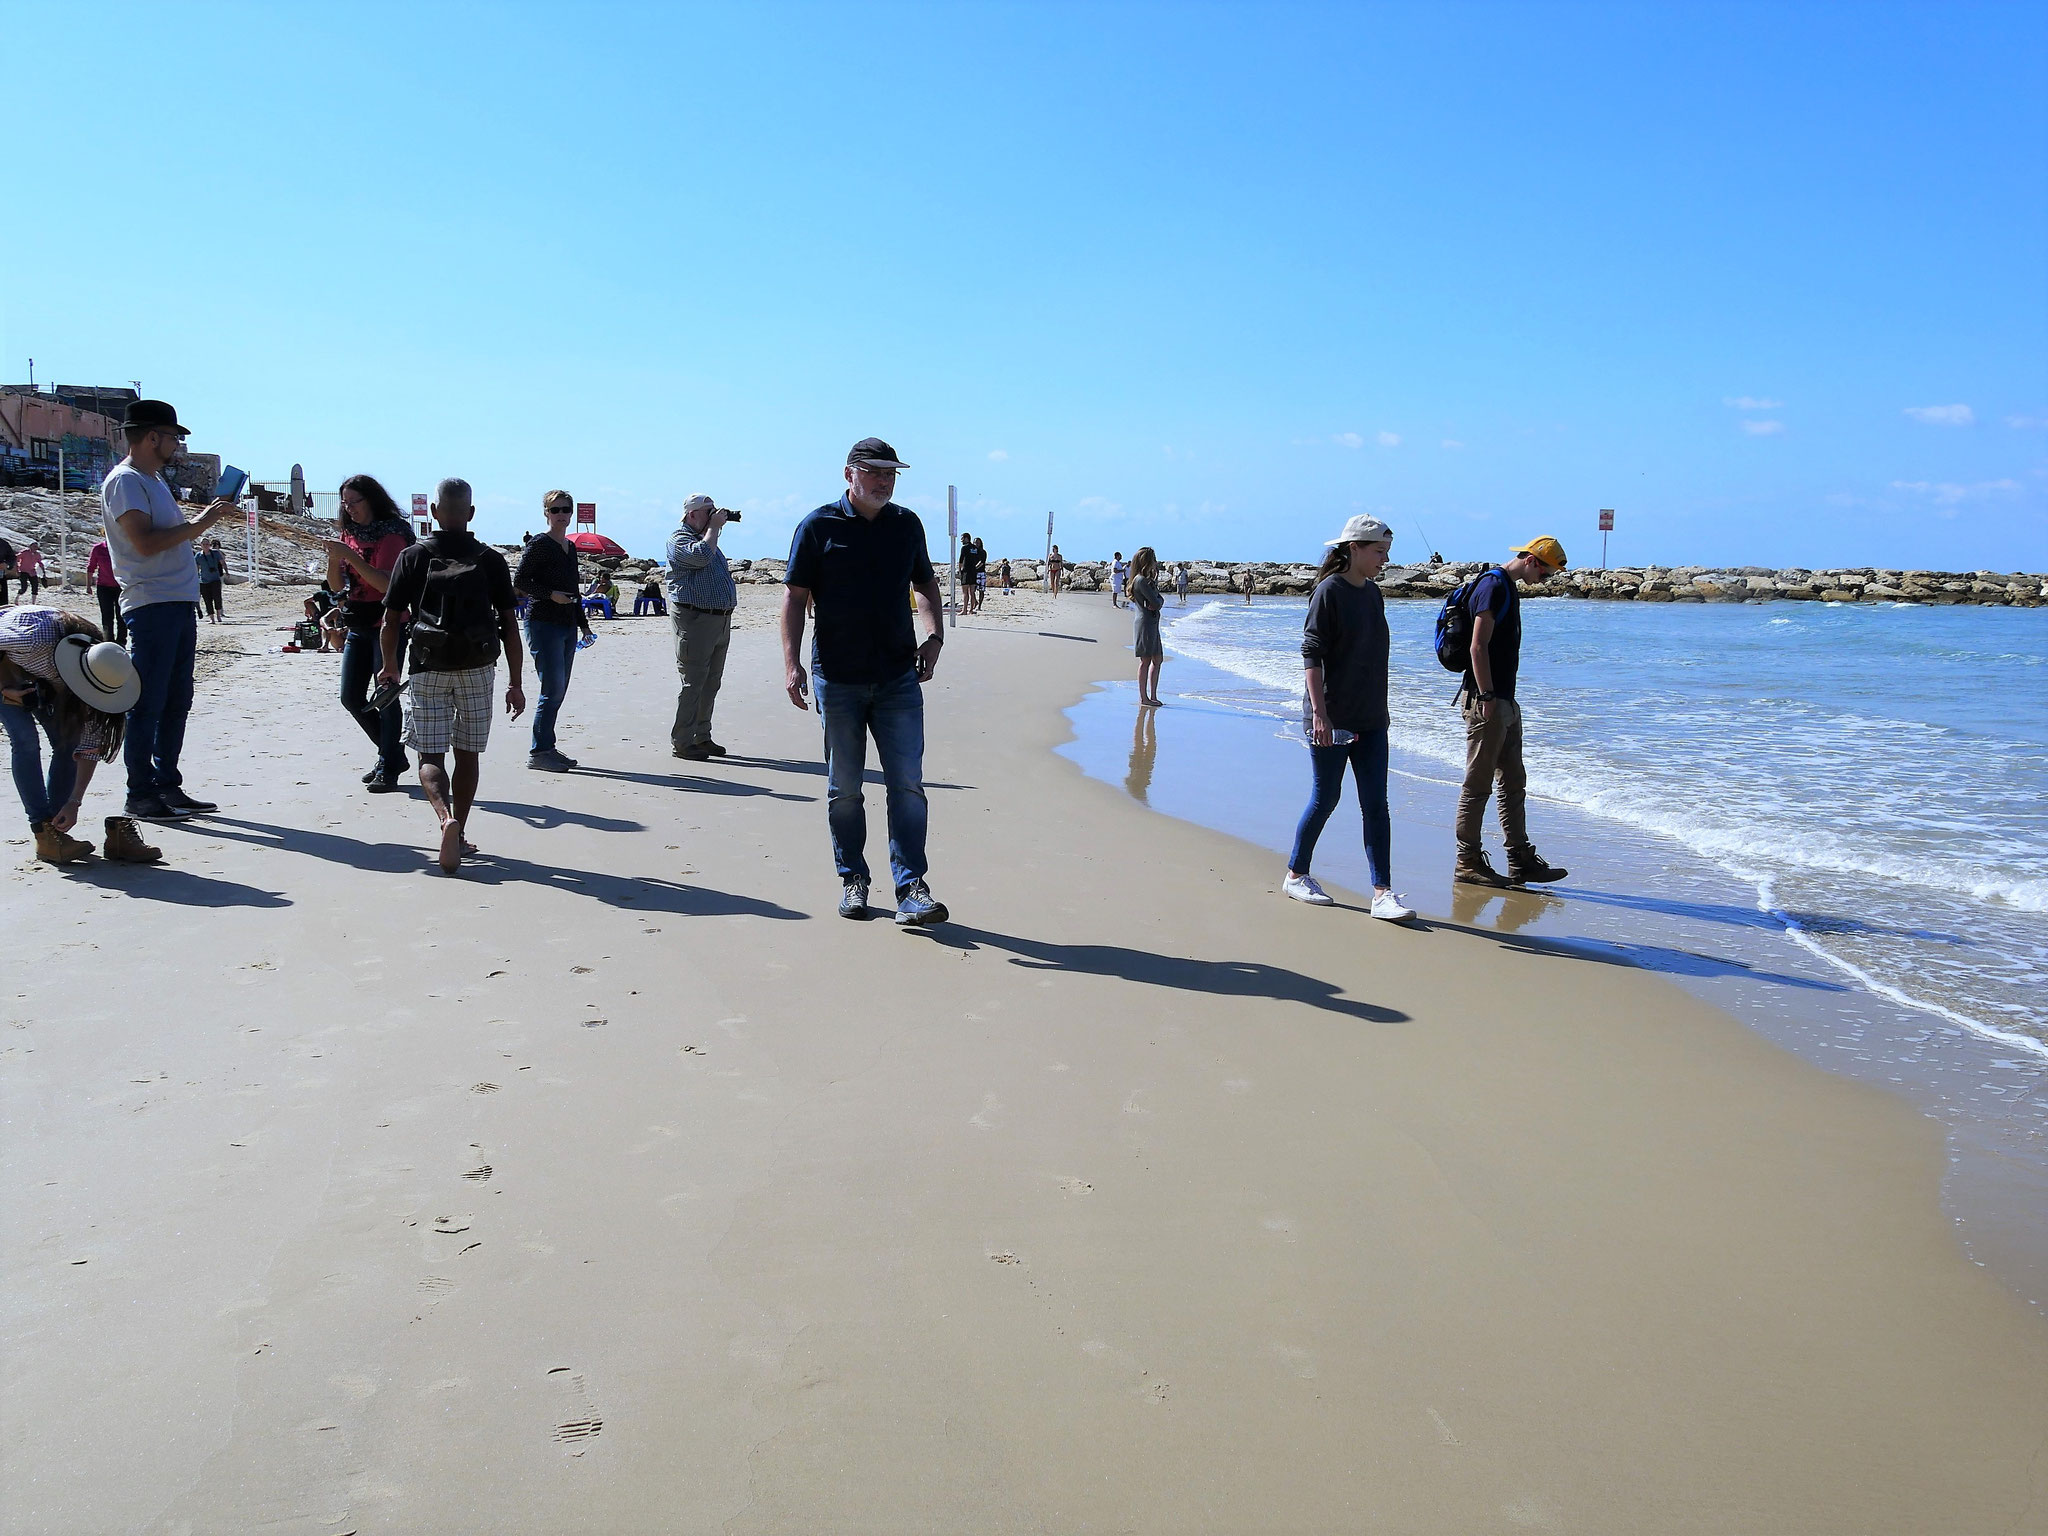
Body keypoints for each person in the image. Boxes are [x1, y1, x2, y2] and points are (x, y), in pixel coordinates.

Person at [782, 437, 948, 926]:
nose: (883, 482)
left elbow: (925, 585)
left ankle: (910, 886)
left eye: (891, 474)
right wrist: (791, 665)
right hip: (838, 677)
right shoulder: (817, 526)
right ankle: (853, 879)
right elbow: (794, 598)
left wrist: (934, 637)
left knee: (908, 785)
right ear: (849, 474)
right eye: (874, 472)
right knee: (845, 789)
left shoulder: (906, 524)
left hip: (899, 676)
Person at [376, 477, 526, 874]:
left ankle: (444, 818)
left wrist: (389, 665)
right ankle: (461, 833)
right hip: (478, 667)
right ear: (471, 513)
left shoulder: (412, 556)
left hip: (428, 665)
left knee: (430, 753)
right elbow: (510, 626)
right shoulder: (490, 560)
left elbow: (390, 621)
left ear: (435, 512)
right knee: (468, 753)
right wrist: (516, 682)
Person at [100, 399, 239, 822]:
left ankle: (166, 785)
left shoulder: (152, 480)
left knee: (177, 699)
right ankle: (140, 792)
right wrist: (202, 524)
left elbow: (166, 538)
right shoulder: (125, 481)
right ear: (152, 436)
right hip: (151, 604)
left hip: (176, 603)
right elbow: (143, 543)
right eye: (174, 436)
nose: (178, 444)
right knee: (149, 701)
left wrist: (198, 526)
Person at [1282, 517, 1414, 922]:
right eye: (1379, 552)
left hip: (1373, 718)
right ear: (1354, 548)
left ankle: (1382, 893)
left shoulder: (1373, 594)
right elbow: (1312, 655)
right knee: (1327, 797)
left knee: (1377, 805)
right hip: (1333, 718)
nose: (1385, 560)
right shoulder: (1329, 591)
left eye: (1387, 552)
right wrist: (1319, 714)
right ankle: (1296, 874)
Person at [0, 606, 158, 865]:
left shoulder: (103, 671)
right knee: (25, 740)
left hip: (40, 675)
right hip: (9, 664)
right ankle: (42, 829)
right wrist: (5, 689)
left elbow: (87, 748)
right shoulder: (32, 640)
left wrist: (74, 802)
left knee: (68, 742)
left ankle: (54, 831)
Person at [1456, 536, 1570, 889]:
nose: (1546, 581)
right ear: (1534, 561)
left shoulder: (1506, 586)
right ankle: (1467, 861)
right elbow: (1477, 646)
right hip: (1487, 700)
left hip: (1504, 700)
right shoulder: (1492, 586)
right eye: (1548, 574)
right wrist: (1488, 695)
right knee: (1478, 785)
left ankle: (1520, 859)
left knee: (1513, 781)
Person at [326, 474, 417, 790]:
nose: (349, 509)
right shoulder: (349, 533)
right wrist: (335, 559)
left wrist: (348, 556)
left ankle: (388, 766)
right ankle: (391, 754)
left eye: (355, 502)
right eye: (345, 503)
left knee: (386, 695)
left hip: (389, 624)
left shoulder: (391, 535)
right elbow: (337, 586)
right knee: (350, 696)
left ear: (372, 500)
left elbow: (386, 584)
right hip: (358, 622)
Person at [513, 489, 590, 771]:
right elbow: (520, 580)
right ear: (546, 513)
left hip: (567, 624)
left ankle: (548, 745)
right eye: (555, 510)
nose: (561, 515)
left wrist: (584, 625)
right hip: (543, 623)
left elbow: (573, 592)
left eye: (565, 509)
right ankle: (539, 752)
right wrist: (549, 595)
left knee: (560, 689)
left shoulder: (570, 547)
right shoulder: (540, 544)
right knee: (552, 688)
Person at [666, 493, 737, 761]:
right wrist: (715, 529)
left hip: (718, 620)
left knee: (711, 682)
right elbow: (700, 558)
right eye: (708, 512)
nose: (713, 516)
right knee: (693, 682)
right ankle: (683, 741)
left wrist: (713, 529)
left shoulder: (707, 538)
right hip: (695, 621)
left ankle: (702, 736)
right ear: (692, 514)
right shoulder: (679, 539)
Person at [1128, 546, 1165, 706]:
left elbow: (1159, 600)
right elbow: (1156, 602)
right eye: (1153, 560)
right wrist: (1157, 600)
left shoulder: (1147, 580)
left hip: (1152, 623)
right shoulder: (1140, 581)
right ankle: (1144, 697)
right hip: (1145, 623)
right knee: (1146, 660)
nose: (1155, 563)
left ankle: (1153, 696)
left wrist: (1157, 600)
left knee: (1157, 659)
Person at [86, 538, 126, 645]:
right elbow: (91, 567)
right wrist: (88, 585)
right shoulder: (98, 548)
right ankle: (108, 640)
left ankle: (121, 641)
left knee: (121, 615)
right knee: (107, 615)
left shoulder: (122, 547)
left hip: (121, 586)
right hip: (104, 587)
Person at [194, 538, 226, 623]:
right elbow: (196, 567)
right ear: (201, 545)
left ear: (210, 545)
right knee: (207, 600)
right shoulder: (198, 556)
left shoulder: (215, 553)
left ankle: (219, 615)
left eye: (207, 544)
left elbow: (222, 562)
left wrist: (226, 571)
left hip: (215, 579)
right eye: (203, 544)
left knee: (217, 598)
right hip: (203, 581)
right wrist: (195, 577)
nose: (205, 546)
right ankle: (212, 618)